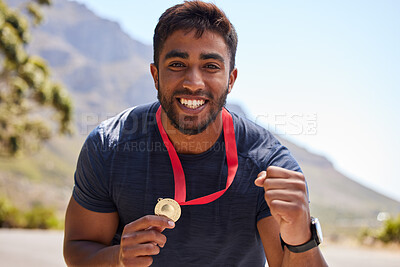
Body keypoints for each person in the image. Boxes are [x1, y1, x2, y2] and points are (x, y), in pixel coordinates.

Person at [63, 1, 328, 266]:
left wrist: (300, 237)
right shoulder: (109, 146)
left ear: (230, 80)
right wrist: (118, 258)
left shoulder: (267, 165)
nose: (193, 82)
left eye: (211, 66)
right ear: (155, 75)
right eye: (177, 64)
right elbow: (80, 248)